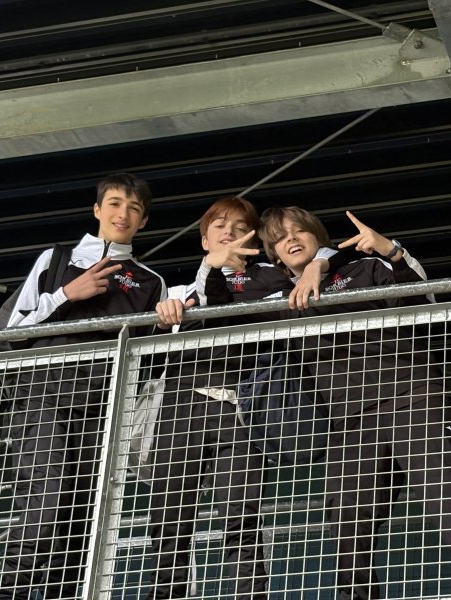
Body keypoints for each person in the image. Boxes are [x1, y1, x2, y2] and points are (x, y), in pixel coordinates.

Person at [254, 207, 451, 600]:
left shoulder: (364, 267)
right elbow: (225, 300)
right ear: (274, 254)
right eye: (280, 238)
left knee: (443, 487)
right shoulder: (279, 295)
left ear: (317, 235)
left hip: (410, 395)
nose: (291, 240)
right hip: (350, 420)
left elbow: (423, 300)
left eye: (299, 231)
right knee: (346, 513)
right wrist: (213, 266)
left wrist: (392, 251)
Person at [147, 197, 339, 599]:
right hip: (182, 406)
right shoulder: (181, 289)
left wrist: (318, 264)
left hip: (241, 408)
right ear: (205, 241)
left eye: (239, 227)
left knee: (239, 517)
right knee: (167, 518)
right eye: (219, 227)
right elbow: (157, 343)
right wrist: (167, 315)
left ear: (254, 239)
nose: (229, 233)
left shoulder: (272, 276)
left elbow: (319, 259)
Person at [0, 173, 166, 600]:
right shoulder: (57, 259)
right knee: (45, 498)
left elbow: (150, 365)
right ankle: (12, 591)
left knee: (83, 515)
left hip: (103, 405)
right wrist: (67, 295)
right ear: (97, 210)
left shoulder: (150, 282)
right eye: (114, 203)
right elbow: (8, 331)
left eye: (134, 208)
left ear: (143, 220)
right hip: (43, 393)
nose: (123, 214)